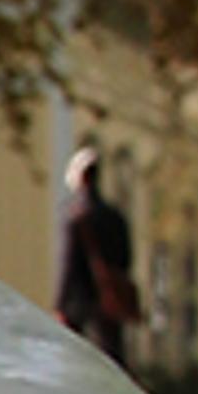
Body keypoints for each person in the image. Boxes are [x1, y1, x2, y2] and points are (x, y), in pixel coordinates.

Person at [55, 149, 139, 360]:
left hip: (81, 304)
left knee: (76, 360)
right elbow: (126, 259)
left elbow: (69, 265)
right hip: (110, 302)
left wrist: (60, 305)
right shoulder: (116, 217)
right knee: (112, 357)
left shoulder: (76, 218)